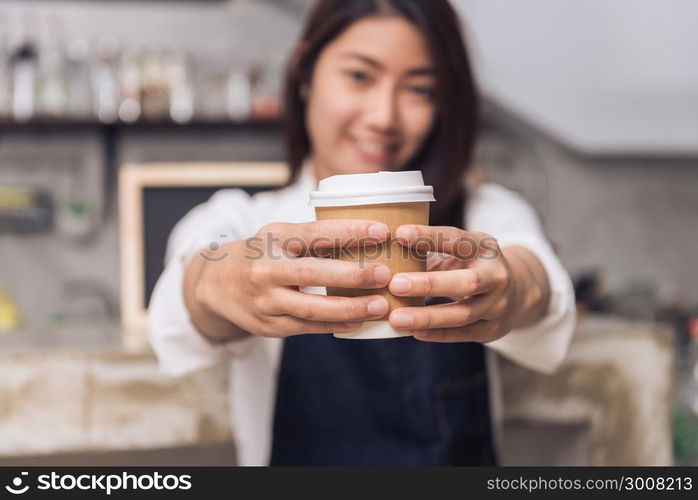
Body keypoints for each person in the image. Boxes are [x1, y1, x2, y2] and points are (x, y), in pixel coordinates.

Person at [148, 0, 576, 466]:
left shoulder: (480, 215)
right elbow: (194, 271)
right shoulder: (250, 221)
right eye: (359, 76)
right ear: (305, 73)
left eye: (419, 89)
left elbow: (536, 275)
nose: (384, 117)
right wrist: (218, 281)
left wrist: (512, 286)